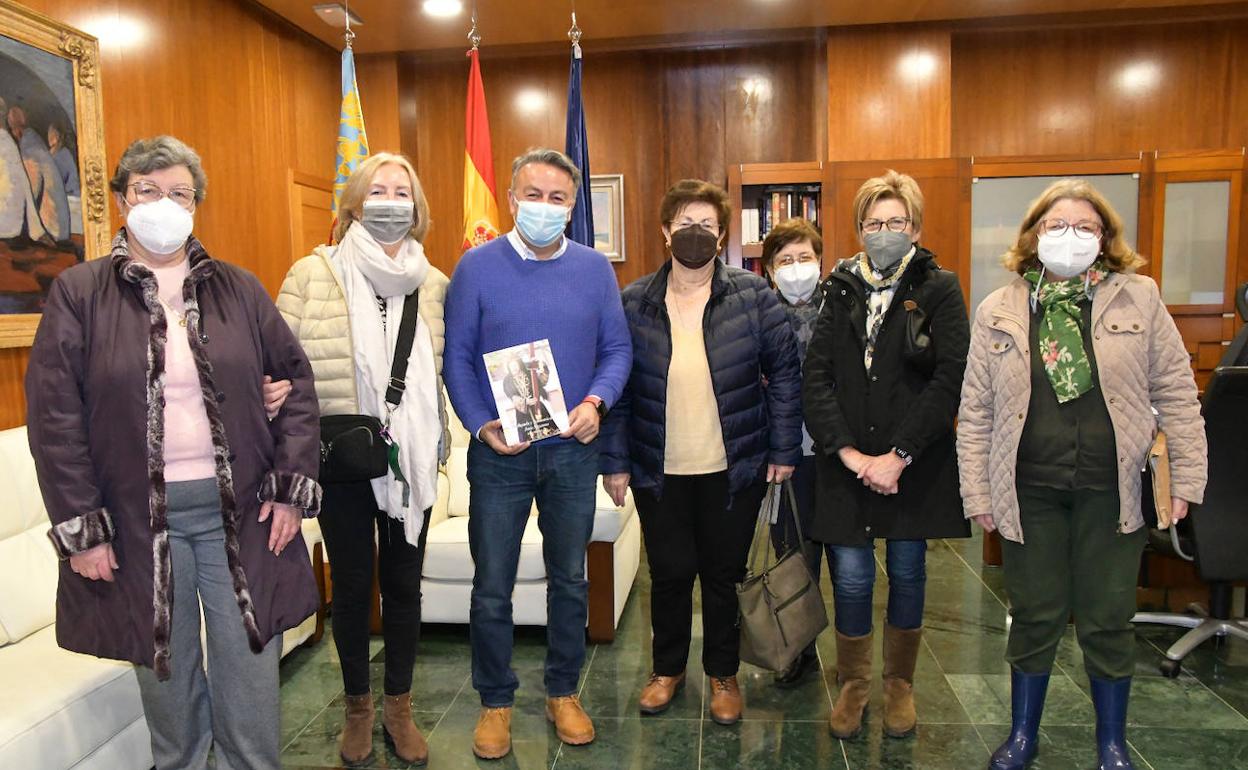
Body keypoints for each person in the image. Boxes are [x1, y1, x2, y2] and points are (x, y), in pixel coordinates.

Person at [25, 135, 322, 770]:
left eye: (180, 193)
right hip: (135, 523)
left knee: (250, 665)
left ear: (197, 205)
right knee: (167, 677)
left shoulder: (238, 290)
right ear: (123, 199)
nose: (164, 203)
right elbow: (55, 421)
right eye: (148, 190)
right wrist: (84, 532)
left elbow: (294, 387)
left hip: (240, 514)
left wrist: (289, 491)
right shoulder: (79, 293)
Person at [957, 179, 1207, 770]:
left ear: (1105, 238)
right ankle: (1023, 736)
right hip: (1028, 492)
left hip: (1111, 491)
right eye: (1055, 225)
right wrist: (977, 491)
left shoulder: (1138, 299)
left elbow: (1177, 392)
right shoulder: (1001, 307)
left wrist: (1186, 483)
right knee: (1034, 614)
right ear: (1034, 235)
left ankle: (1112, 743)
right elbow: (975, 411)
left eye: (1084, 227)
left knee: (1107, 618)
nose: (1069, 236)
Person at [443, 147, 632, 760]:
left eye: (558, 198)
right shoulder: (475, 267)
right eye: (534, 194)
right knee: (492, 584)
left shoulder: (595, 269)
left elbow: (617, 352)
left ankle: (561, 693)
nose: (544, 207)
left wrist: (596, 404)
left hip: (573, 451)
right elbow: (458, 360)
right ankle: (495, 701)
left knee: (570, 580)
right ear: (511, 198)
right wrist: (480, 425)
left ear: (573, 208)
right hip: (500, 455)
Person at [600, 179, 802, 725]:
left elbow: (785, 373)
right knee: (668, 573)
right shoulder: (633, 301)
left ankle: (723, 673)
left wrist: (783, 448)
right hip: (655, 466)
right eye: (685, 223)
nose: (696, 234)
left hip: (732, 466)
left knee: (722, 572)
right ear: (665, 231)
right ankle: (666, 670)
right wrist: (615, 461)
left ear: (722, 235)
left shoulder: (753, 296)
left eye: (707, 225)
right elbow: (616, 389)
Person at [278, 151, 448, 767]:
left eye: (403, 191)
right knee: (350, 588)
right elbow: (279, 363)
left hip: (412, 464)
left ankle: (399, 708)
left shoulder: (435, 283)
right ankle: (357, 706)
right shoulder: (310, 274)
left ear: (417, 206)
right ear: (353, 202)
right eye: (378, 189)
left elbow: (447, 368)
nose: (390, 200)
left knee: (404, 587)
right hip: (340, 457)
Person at [802, 170, 970, 740]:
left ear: (915, 226)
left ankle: (899, 684)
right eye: (873, 223)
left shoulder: (940, 286)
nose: (883, 231)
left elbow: (949, 378)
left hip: (913, 463)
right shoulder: (838, 285)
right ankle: (854, 685)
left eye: (895, 222)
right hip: (846, 464)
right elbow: (816, 377)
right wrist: (850, 454)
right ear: (858, 228)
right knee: (849, 577)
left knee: (907, 569)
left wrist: (897, 455)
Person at [759, 217, 827, 687]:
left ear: (820, 262)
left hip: (836, 452)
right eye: (786, 261)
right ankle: (798, 646)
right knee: (792, 552)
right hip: (782, 452)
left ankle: (845, 647)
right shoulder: (760, 315)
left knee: (840, 554)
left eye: (805, 258)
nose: (797, 268)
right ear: (769, 270)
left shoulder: (843, 310)